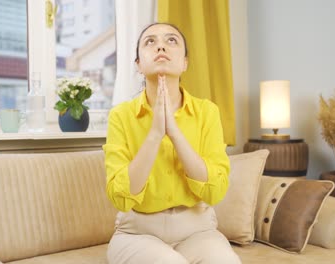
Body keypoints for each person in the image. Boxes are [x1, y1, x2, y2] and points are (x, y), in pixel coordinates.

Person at [103, 22, 241, 264]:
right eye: (150, 42)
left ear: (185, 62)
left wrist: (174, 133)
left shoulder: (207, 112)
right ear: (138, 64)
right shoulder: (120, 116)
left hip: (198, 231)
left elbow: (215, 190)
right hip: (137, 234)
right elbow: (121, 197)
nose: (160, 47)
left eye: (171, 40)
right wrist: (156, 133)